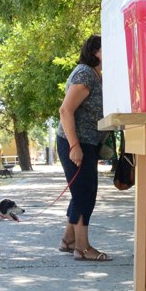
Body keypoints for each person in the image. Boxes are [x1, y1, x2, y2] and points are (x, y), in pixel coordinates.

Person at [56, 34, 113, 261]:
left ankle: (68, 240)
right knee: (84, 194)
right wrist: (74, 146)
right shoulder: (85, 74)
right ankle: (82, 248)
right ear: (96, 52)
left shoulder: (95, 76)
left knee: (81, 191)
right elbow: (65, 110)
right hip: (77, 142)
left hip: (88, 142)